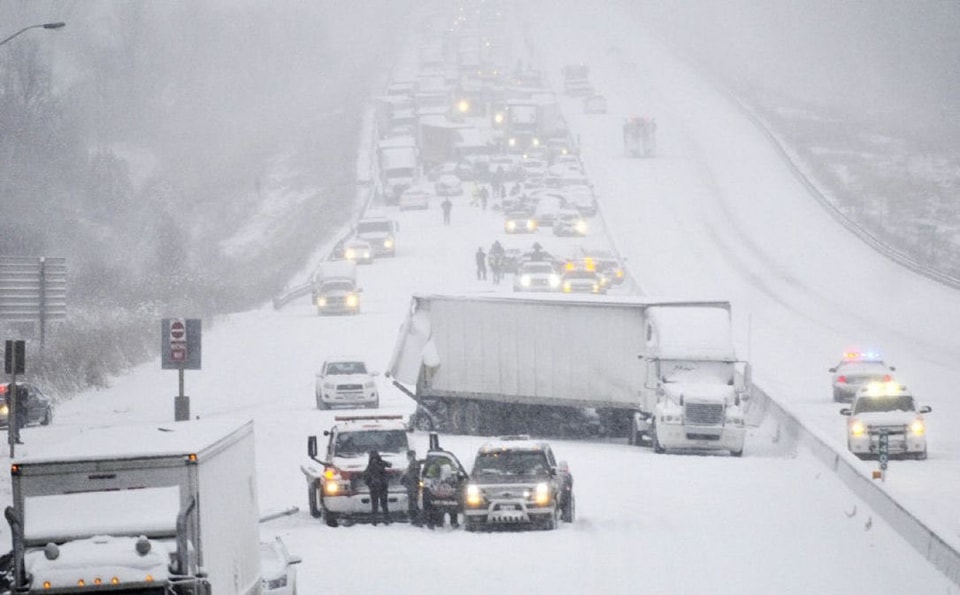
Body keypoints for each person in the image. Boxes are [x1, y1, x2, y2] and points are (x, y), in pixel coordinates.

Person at [362, 450, 392, 525]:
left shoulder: (370, 466)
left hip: (375, 488)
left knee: (375, 505)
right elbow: (389, 465)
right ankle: (386, 519)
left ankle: (375, 520)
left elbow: (365, 476)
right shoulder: (380, 464)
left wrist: (369, 483)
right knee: (383, 504)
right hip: (382, 487)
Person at [400, 450, 422, 527]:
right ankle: (414, 519)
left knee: (414, 503)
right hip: (411, 486)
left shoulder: (414, 464)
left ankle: (417, 520)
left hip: (413, 486)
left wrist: (405, 477)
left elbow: (413, 476)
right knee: (412, 503)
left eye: (409, 456)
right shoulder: (412, 464)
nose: (408, 458)